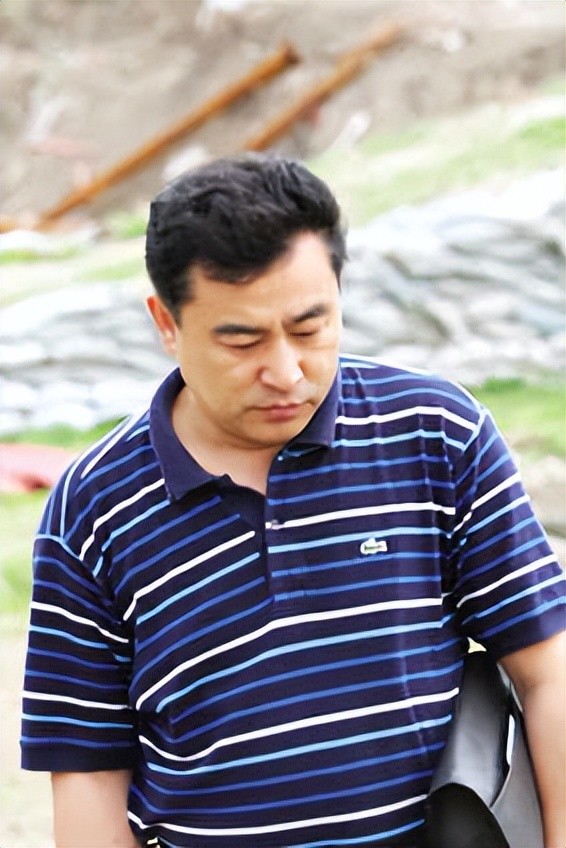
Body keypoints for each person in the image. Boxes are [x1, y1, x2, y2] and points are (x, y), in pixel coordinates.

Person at [21, 154, 565, 848]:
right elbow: (87, 775)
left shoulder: (436, 435)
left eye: (310, 329)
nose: (285, 372)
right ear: (166, 322)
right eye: (241, 340)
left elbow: (548, 672)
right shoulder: (93, 509)